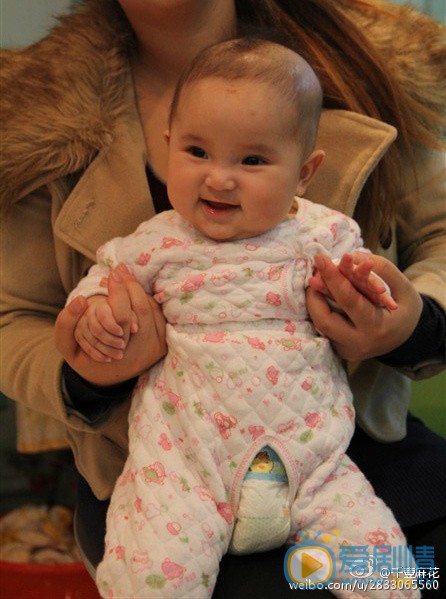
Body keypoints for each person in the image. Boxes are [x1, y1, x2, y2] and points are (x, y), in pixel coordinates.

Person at [0, 0, 444, 596]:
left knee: (400, 574)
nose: (218, 178)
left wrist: (405, 320)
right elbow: (52, 307)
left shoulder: (328, 209)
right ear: (169, 142)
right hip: (178, 461)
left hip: (327, 452)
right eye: (196, 153)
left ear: (306, 173)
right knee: (155, 579)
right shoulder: (138, 231)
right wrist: (92, 355)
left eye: (254, 160)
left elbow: (420, 245)